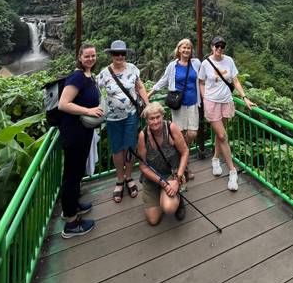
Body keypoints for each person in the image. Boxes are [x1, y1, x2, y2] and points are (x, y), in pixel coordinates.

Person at [198, 36, 256, 191]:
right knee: (223, 136)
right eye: (217, 45)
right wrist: (204, 98)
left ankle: (216, 159)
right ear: (211, 47)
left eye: (222, 46)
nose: (219, 48)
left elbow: (235, 81)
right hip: (212, 102)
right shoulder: (205, 63)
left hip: (226, 101)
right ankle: (232, 171)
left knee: (220, 134)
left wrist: (244, 98)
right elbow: (201, 82)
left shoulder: (229, 61)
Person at [58, 43, 104, 238]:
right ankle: (70, 223)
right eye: (87, 56)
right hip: (74, 133)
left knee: (76, 174)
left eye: (93, 56)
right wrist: (88, 111)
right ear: (79, 57)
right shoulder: (76, 77)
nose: (91, 59)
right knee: (71, 175)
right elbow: (63, 104)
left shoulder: (87, 75)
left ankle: (73, 206)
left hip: (82, 132)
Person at [97, 39, 149, 203]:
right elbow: (95, 92)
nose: (119, 56)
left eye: (122, 53)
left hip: (131, 115)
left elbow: (139, 87)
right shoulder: (104, 73)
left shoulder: (133, 69)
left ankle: (128, 177)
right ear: (111, 55)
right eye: (116, 53)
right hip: (113, 118)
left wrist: (147, 105)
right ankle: (119, 179)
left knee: (130, 147)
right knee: (117, 149)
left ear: (125, 54)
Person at [148, 38, 201, 180]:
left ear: (191, 51)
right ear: (178, 50)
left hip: (193, 103)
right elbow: (163, 80)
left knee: (192, 134)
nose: (186, 50)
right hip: (178, 105)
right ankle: (185, 167)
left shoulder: (196, 63)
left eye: (188, 48)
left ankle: (180, 157)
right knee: (180, 134)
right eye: (183, 47)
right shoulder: (173, 66)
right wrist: (150, 93)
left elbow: (203, 79)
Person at [137, 102, 189, 225]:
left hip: (172, 173)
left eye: (157, 117)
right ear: (146, 120)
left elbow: (185, 151)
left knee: (169, 208)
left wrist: (177, 179)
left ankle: (178, 197)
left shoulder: (171, 128)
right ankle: (163, 194)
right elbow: (143, 166)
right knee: (153, 220)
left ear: (162, 116)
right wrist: (163, 184)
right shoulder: (143, 136)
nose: (155, 121)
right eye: (151, 118)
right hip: (153, 177)